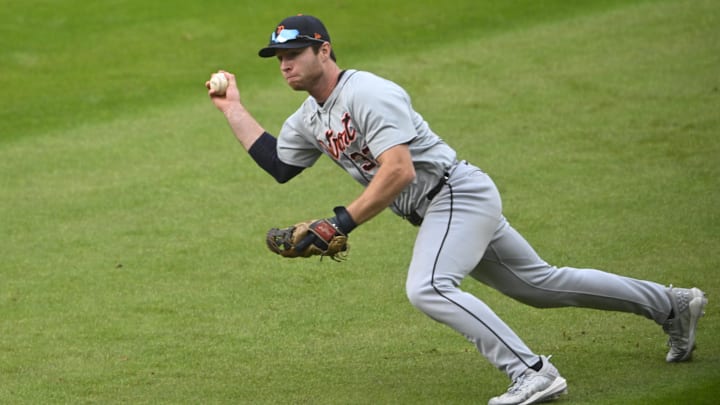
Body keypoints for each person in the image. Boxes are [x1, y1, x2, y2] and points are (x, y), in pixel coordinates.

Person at [206, 14, 708, 405]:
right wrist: (233, 108)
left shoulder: (368, 92)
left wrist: (341, 222)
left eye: (295, 53)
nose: (285, 64)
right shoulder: (309, 117)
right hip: (443, 206)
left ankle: (532, 374)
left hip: (455, 194)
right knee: (540, 285)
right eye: (279, 57)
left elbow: (399, 170)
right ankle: (672, 305)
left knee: (427, 287)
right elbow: (278, 163)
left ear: (324, 50)